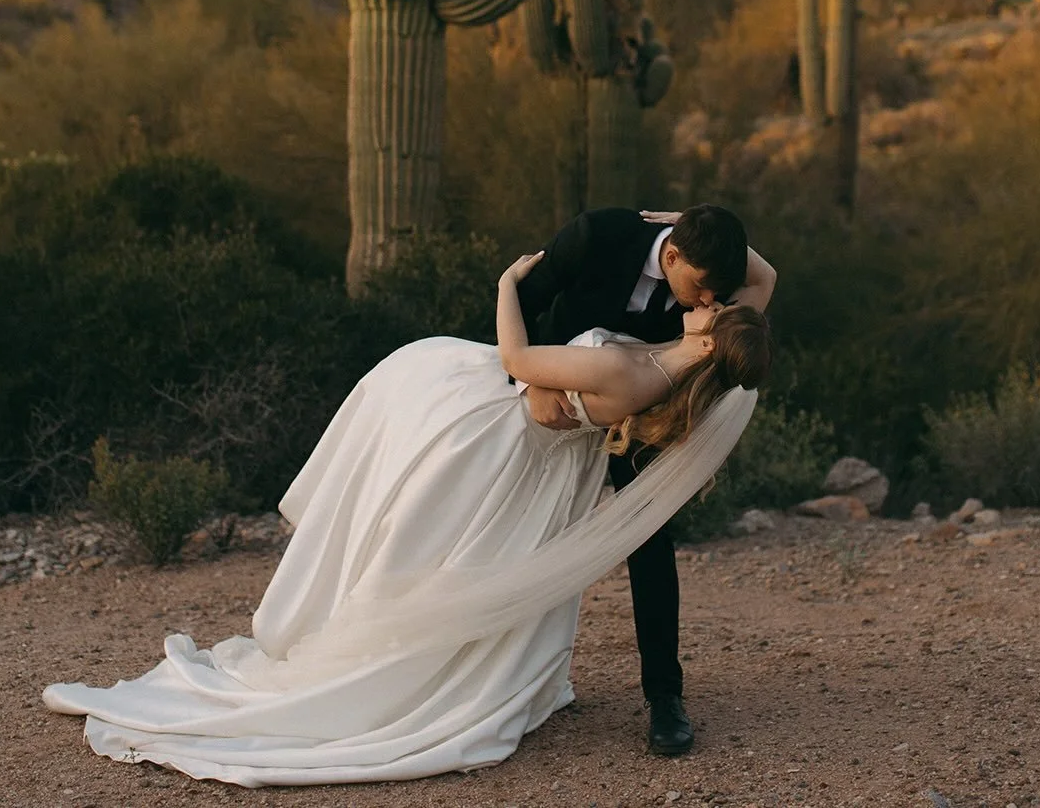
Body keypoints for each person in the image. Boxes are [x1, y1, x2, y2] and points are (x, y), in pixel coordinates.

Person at [42, 246, 773, 787]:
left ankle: (378, 662)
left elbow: (518, 360)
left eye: (714, 303)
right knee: (460, 553)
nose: (711, 295)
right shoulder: (701, 372)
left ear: (711, 337)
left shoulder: (633, 370)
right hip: (548, 467)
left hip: (504, 443)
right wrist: (670, 226)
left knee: (424, 544)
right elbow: (762, 280)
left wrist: (507, 282)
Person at [516, 204, 777, 754]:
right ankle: (507, 682)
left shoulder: (710, 287)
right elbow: (522, 298)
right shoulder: (595, 237)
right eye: (703, 287)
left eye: (717, 294)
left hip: (641, 410)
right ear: (673, 254)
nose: (710, 303)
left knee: (652, 539)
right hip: (558, 389)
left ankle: (665, 698)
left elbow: (765, 276)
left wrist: (689, 217)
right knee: (522, 529)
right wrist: (530, 383)